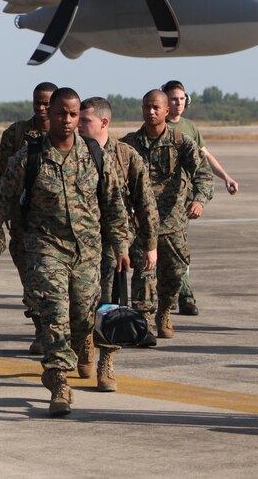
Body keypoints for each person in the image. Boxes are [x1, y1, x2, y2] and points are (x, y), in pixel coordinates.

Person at [0, 88, 130, 417]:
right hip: (45, 248)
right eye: (61, 113)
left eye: (73, 114)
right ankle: (59, 382)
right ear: (49, 114)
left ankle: (79, 348)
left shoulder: (95, 155)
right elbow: (2, 200)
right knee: (54, 313)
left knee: (82, 318)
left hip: (87, 251)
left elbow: (114, 204)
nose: (67, 120)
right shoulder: (30, 156)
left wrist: (121, 245)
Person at [77, 97, 159, 390]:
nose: (78, 124)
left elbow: (145, 202)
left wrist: (150, 244)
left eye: (84, 120)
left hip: (114, 245)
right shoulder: (73, 152)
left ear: (104, 122)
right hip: (79, 244)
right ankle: (85, 342)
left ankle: (107, 361)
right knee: (81, 303)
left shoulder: (126, 155)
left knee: (111, 303)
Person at [121, 90, 213, 340]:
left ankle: (164, 312)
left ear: (166, 111)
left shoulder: (181, 142)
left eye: (155, 107)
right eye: (146, 107)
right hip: (141, 223)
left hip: (172, 222)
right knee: (143, 274)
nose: (150, 112)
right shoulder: (128, 144)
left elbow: (203, 173)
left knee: (175, 272)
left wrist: (199, 200)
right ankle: (144, 323)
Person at [0, 81, 57, 353]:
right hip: (22, 223)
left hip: (57, 226)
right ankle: (41, 329)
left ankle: (57, 332)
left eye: (47, 103)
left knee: (56, 283)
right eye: (38, 102)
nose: (42, 108)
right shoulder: (16, 134)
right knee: (31, 281)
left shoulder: (68, 134)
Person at [163, 79, 238, 316]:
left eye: (182, 98)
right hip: (157, 200)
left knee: (179, 249)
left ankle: (182, 297)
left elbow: (205, 157)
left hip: (181, 200)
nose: (178, 103)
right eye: (174, 99)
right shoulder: (156, 126)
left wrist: (226, 177)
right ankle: (172, 296)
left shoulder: (190, 127)